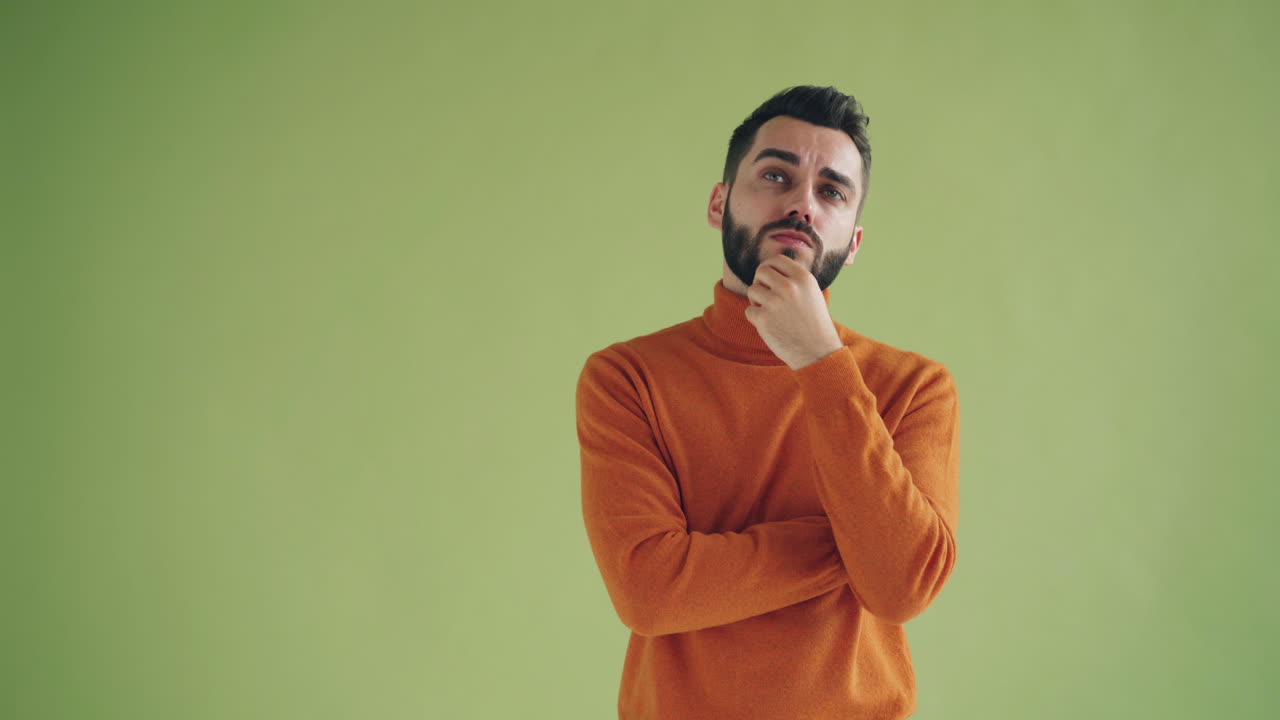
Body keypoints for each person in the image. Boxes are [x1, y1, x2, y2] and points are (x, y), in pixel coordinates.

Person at [575, 85, 962, 719]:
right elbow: (648, 591)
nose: (801, 205)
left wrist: (821, 364)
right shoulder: (628, 378)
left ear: (854, 241)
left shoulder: (914, 388)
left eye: (831, 191)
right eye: (776, 175)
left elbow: (900, 586)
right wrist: (851, 544)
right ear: (719, 202)